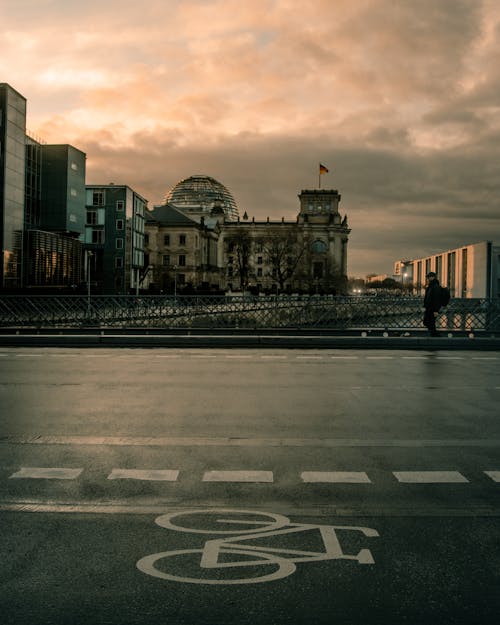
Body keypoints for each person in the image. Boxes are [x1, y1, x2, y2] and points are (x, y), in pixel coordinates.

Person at [423, 271, 441, 336]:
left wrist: (436, 310)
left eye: (429, 277)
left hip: (432, 308)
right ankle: (434, 334)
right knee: (427, 322)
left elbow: (436, 299)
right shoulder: (431, 285)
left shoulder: (435, 286)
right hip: (429, 307)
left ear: (433, 277)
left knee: (430, 322)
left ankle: (435, 335)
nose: (427, 279)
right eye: (427, 277)